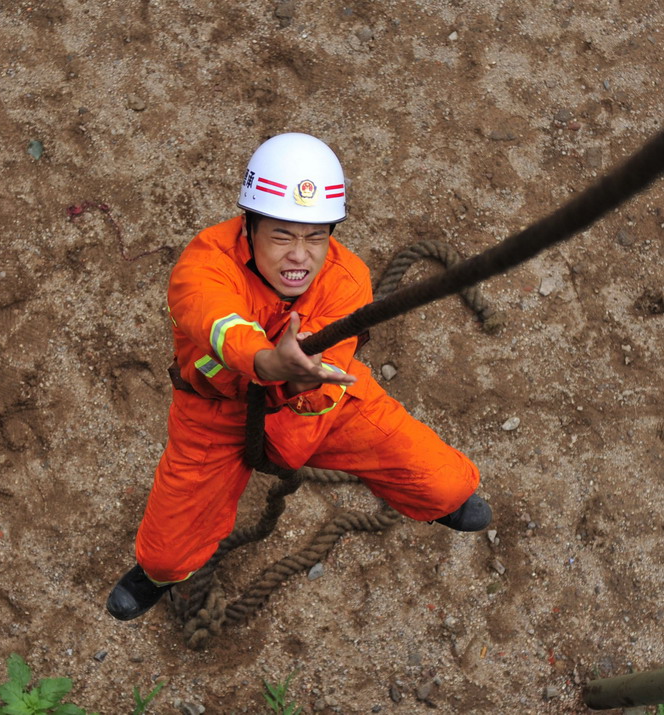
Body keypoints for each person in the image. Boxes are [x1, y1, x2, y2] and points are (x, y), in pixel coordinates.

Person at [106, 133, 491, 621]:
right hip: (215, 414)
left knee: (448, 486)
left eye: (316, 236)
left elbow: (321, 372)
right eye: (282, 235)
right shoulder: (204, 266)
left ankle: (443, 502)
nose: (300, 257)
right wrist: (266, 362)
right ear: (248, 227)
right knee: (164, 554)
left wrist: (299, 376)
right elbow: (219, 322)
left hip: (322, 406)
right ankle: (158, 577)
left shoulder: (348, 279)